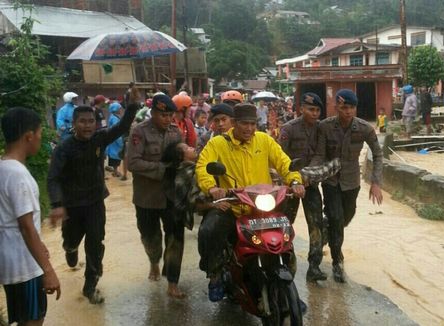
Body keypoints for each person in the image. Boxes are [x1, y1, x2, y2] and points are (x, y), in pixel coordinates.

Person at [195, 103, 305, 302]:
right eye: (244, 123)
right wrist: (212, 188)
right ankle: (215, 275)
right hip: (233, 206)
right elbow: (203, 166)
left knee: (285, 240)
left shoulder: (264, 140)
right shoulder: (218, 143)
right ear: (234, 123)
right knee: (209, 230)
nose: (249, 128)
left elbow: (283, 162)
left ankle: (288, 292)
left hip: (262, 207)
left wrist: (295, 181)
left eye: (253, 124)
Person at [47, 89, 139, 304]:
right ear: (75, 123)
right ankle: (70, 249)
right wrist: (57, 204)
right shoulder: (64, 148)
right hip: (71, 205)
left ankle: (91, 286)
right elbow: (53, 178)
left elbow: (122, 127)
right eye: (83, 122)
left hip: (95, 202)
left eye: (91, 121)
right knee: (72, 240)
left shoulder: (99, 139)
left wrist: (132, 105)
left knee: (96, 244)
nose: (88, 126)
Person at [310, 89, 383, 283]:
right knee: (336, 217)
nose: (348, 111)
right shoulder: (325, 127)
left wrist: (375, 182)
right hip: (331, 181)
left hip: (352, 182)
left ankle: (328, 231)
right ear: (336, 107)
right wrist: (308, 174)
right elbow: (319, 154)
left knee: (346, 218)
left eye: (351, 108)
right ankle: (337, 261)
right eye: (343, 107)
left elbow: (378, 154)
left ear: (355, 108)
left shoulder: (365, 128)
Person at [1, 107, 61, 325]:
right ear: (29, 136)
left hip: (9, 263)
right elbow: (26, 226)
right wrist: (48, 270)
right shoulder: (18, 175)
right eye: (38, 135)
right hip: (25, 267)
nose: (39, 139)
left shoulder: (3, 168)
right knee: (33, 320)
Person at [126, 94, 185, 298]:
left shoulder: (176, 132)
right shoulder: (139, 132)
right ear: (153, 113)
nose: (168, 119)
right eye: (163, 115)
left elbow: (181, 158)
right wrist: (162, 169)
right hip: (147, 198)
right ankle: (153, 262)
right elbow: (132, 163)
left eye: (170, 115)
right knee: (150, 238)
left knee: (175, 238)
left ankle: (173, 282)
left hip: (171, 195)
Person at [279, 92, 328, 282]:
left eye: (317, 110)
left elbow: (320, 154)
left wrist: (307, 175)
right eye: (311, 109)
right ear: (301, 109)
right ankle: (284, 261)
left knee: (316, 224)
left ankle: (314, 266)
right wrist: (295, 179)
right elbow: (281, 157)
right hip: (290, 185)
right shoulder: (288, 129)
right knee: (285, 223)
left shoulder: (321, 129)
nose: (314, 113)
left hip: (311, 183)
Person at [105, 102, 124, 178]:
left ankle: (115, 170)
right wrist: (120, 141)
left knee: (116, 156)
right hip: (115, 140)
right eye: (119, 108)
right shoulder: (114, 118)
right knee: (115, 156)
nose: (120, 109)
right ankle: (115, 171)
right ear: (115, 109)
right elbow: (116, 130)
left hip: (115, 139)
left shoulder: (115, 117)